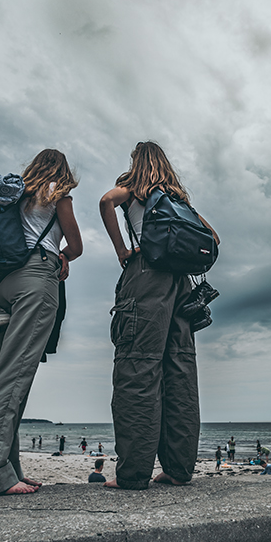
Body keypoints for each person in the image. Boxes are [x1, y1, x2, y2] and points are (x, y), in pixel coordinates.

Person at [99, 141, 220, 490]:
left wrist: (123, 248)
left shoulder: (136, 188)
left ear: (138, 163)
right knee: (180, 372)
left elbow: (107, 201)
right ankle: (178, 469)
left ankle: (134, 473)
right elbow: (212, 237)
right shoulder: (179, 199)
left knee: (138, 368)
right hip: (181, 286)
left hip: (145, 278)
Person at [0, 149, 83, 497]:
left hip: (4, 284)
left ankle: (7, 466)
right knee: (14, 378)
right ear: (61, 171)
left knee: (7, 375)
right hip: (36, 278)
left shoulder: (12, 195)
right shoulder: (58, 195)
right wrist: (64, 256)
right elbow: (75, 246)